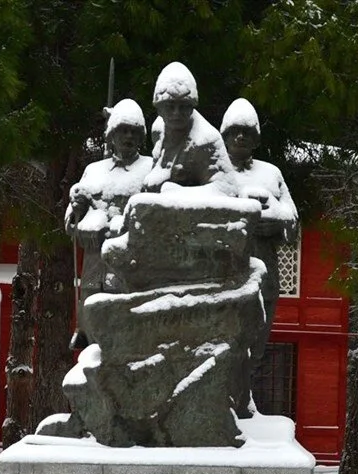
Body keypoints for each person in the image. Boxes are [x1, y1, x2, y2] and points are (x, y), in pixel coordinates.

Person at [220, 98, 299, 381]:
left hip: (265, 269)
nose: (240, 136)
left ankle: (246, 394)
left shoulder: (271, 174)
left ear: (255, 138)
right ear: (226, 135)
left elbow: (292, 219)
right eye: (235, 131)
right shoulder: (214, 172)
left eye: (246, 131)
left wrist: (276, 225)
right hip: (224, 271)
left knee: (258, 338)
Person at [65, 98, 153, 349]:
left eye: (133, 131)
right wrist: (78, 210)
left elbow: (153, 221)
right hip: (94, 274)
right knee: (93, 344)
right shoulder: (94, 171)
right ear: (111, 135)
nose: (128, 136)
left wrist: (117, 227)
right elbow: (71, 226)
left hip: (130, 274)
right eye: (122, 130)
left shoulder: (149, 170)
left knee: (126, 344)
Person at [142, 62, 237, 196]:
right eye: (170, 106)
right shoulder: (158, 130)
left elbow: (227, 190)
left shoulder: (206, 141)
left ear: (192, 107)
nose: (176, 113)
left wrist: (178, 193)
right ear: (159, 110)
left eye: (183, 106)